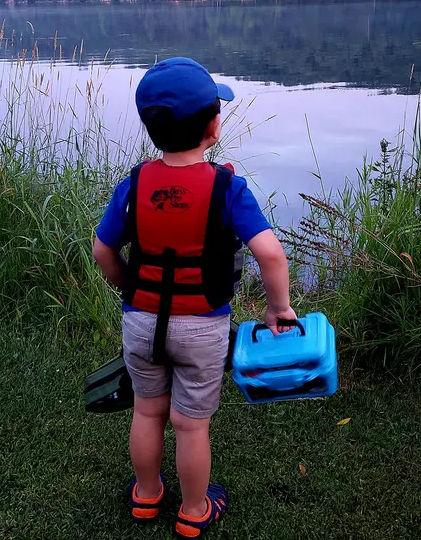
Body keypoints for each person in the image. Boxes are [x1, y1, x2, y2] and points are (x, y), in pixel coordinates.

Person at [92, 57, 296, 538]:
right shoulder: (228, 187)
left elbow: (103, 249)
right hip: (202, 326)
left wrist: (128, 287)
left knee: (147, 410)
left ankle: (145, 497)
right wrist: (277, 307)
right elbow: (271, 255)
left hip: (140, 322)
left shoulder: (134, 184)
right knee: (190, 424)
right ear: (212, 126)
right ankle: (194, 510)